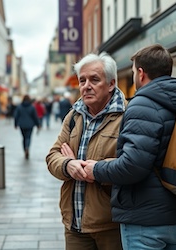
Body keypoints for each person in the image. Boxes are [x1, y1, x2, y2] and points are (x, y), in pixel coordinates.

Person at [84, 44, 176, 250]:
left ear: (140, 73)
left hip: (146, 220)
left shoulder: (142, 104)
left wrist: (96, 169)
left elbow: (133, 166)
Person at [46, 52, 125, 250]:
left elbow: (131, 165)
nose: (86, 85)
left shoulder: (127, 116)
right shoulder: (74, 116)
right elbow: (52, 156)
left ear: (111, 84)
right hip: (74, 224)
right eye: (82, 80)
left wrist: (95, 170)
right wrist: (68, 165)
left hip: (111, 225)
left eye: (94, 79)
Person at [14, 95, 40, 159]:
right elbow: (35, 117)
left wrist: (15, 124)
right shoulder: (32, 107)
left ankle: (25, 149)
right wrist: (38, 124)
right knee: (28, 137)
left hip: (22, 125)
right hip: (30, 125)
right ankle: (27, 147)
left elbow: (16, 116)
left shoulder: (19, 107)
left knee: (24, 138)